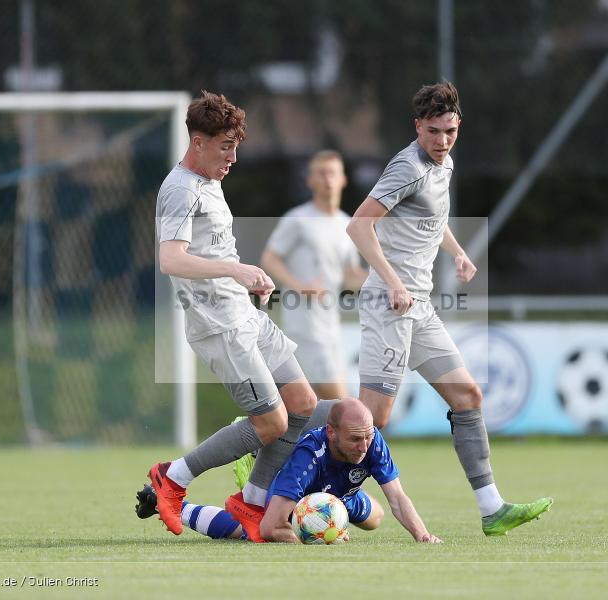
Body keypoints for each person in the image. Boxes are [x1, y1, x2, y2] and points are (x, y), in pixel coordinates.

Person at [345, 81, 552, 536]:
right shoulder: (408, 168)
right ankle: (281, 434)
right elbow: (359, 227)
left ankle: (491, 508)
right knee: (370, 420)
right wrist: (395, 283)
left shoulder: (446, 163)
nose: (442, 141)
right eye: (434, 131)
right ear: (418, 126)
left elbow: (432, 223)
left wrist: (457, 251)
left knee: (468, 396)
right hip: (390, 301)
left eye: (451, 132)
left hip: (418, 307)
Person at [150, 91, 336, 542]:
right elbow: (172, 260)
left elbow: (212, 250)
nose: (233, 157)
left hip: (245, 316)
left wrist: (248, 278)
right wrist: (236, 269)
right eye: (224, 147)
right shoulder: (179, 190)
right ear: (197, 141)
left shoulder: (210, 182)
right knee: (271, 422)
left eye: (236, 147)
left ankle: (251, 505)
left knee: (303, 406)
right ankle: (171, 478)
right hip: (221, 327)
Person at [135, 399, 440, 544]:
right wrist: (316, 535)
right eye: (355, 439)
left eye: (367, 437)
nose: (363, 445)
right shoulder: (307, 456)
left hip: (329, 490)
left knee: (375, 518)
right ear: (332, 433)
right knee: (251, 531)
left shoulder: (370, 440)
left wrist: (422, 535)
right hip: (277, 473)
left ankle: (332, 502)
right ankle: (177, 508)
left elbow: (397, 497)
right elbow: (271, 528)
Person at [261, 150, 367, 399]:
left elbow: (349, 277)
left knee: (314, 406)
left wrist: (386, 278)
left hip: (331, 325)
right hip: (304, 325)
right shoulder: (298, 219)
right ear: (310, 180)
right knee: (341, 402)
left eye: (332, 173)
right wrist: (301, 286)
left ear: (343, 180)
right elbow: (269, 259)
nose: (327, 179)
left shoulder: (346, 223)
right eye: (321, 173)